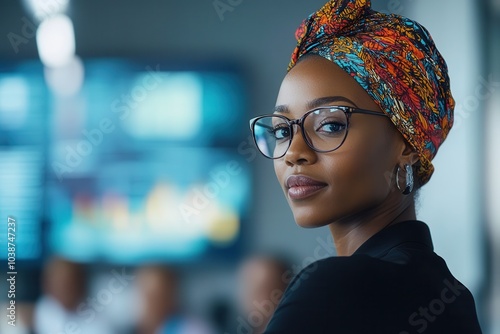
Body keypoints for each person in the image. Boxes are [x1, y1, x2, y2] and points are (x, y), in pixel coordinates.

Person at [248, 0, 483, 333]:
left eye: (330, 124)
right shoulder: (453, 296)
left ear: (404, 142)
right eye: (283, 130)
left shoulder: (334, 287)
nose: (293, 152)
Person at [133, 265, 214, 334]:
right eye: (148, 296)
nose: (152, 304)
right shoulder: (135, 328)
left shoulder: (195, 329)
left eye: (158, 296)